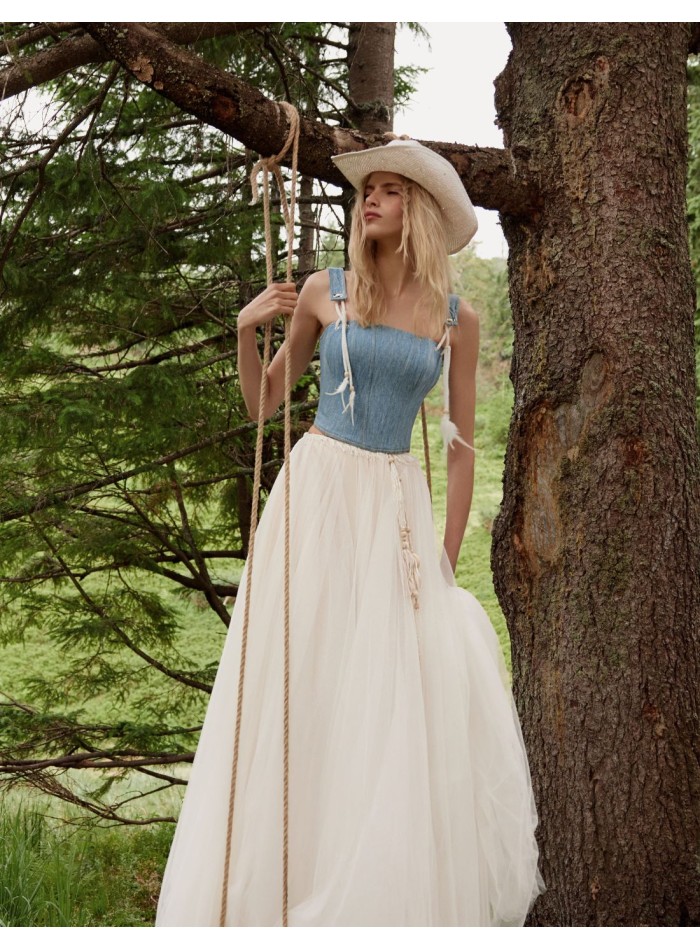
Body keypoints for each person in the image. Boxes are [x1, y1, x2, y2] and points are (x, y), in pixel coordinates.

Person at [155, 138, 545, 927]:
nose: (369, 199)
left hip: (394, 508)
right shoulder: (324, 292)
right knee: (302, 670)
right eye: (368, 190)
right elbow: (265, 406)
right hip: (318, 490)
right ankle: (271, 887)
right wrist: (244, 333)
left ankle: (360, 894)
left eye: (391, 190)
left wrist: (442, 556)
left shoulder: (454, 319)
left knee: (383, 688)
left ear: (421, 214)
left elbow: (461, 446)